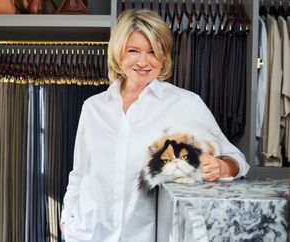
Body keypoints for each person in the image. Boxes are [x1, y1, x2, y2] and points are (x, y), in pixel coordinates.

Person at [60, 9, 250, 242]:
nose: (143, 61)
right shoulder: (93, 108)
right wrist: (66, 222)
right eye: (133, 51)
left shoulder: (185, 104)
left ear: (164, 57)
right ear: (119, 53)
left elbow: (237, 159)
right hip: (86, 235)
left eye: (153, 52)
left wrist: (223, 167)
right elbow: (79, 173)